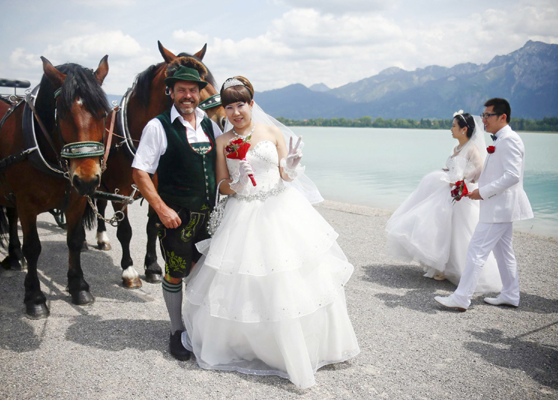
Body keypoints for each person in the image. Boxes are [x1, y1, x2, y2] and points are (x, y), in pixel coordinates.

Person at [181, 76, 359, 389]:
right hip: (243, 213)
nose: (236, 112)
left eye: (241, 105)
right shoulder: (222, 142)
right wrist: (235, 185)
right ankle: (251, 346)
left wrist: (291, 166)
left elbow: (285, 176)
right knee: (244, 283)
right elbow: (222, 184)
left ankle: (300, 347)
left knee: (290, 279)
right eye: (230, 106)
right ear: (224, 109)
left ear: (251, 104)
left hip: (280, 209)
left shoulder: (271, 132)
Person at [132, 62, 223, 360]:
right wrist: (160, 208)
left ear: (199, 93)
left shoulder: (211, 124)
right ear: (170, 92)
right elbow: (140, 172)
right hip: (177, 217)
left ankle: (199, 327)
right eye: (181, 90)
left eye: (193, 90)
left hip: (210, 218)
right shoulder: (157, 126)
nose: (188, 95)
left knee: (205, 274)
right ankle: (175, 329)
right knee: (174, 273)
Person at [435, 98, 533, 311]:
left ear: (502, 117)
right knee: (504, 252)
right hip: (501, 207)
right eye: (484, 115)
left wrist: (483, 192)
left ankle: (462, 297)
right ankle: (510, 294)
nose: (484, 119)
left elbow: (513, 176)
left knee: (476, 251)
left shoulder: (510, 140)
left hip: (499, 207)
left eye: (488, 115)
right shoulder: (501, 139)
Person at [386, 111, 502, 292]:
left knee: (460, 231)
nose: (451, 129)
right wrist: (447, 172)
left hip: (460, 193)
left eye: (454, 126)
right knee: (440, 226)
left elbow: (480, 170)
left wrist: (463, 180)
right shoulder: (456, 148)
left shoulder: (472, 148)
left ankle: (459, 270)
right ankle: (441, 266)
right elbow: (452, 167)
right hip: (448, 189)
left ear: (464, 129)